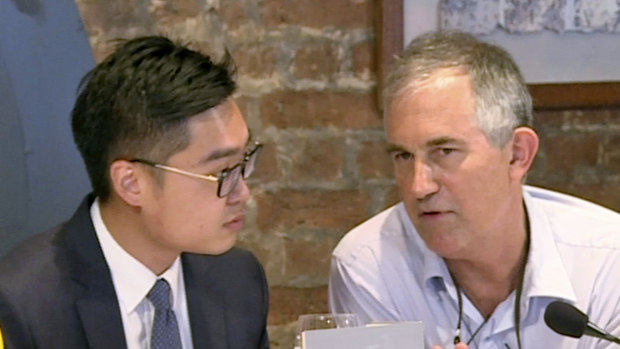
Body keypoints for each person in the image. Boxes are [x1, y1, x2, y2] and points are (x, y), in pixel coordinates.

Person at [328, 30, 620, 349]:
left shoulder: (608, 263)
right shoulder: (369, 264)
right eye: (403, 156)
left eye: (445, 152)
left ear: (517, 154)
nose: (418, 186)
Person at [0, 36, 269, 349]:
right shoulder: (23, 305)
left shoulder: (238, 280)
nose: (243, 192)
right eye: (222, 173)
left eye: (244, 162)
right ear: (131, 183)